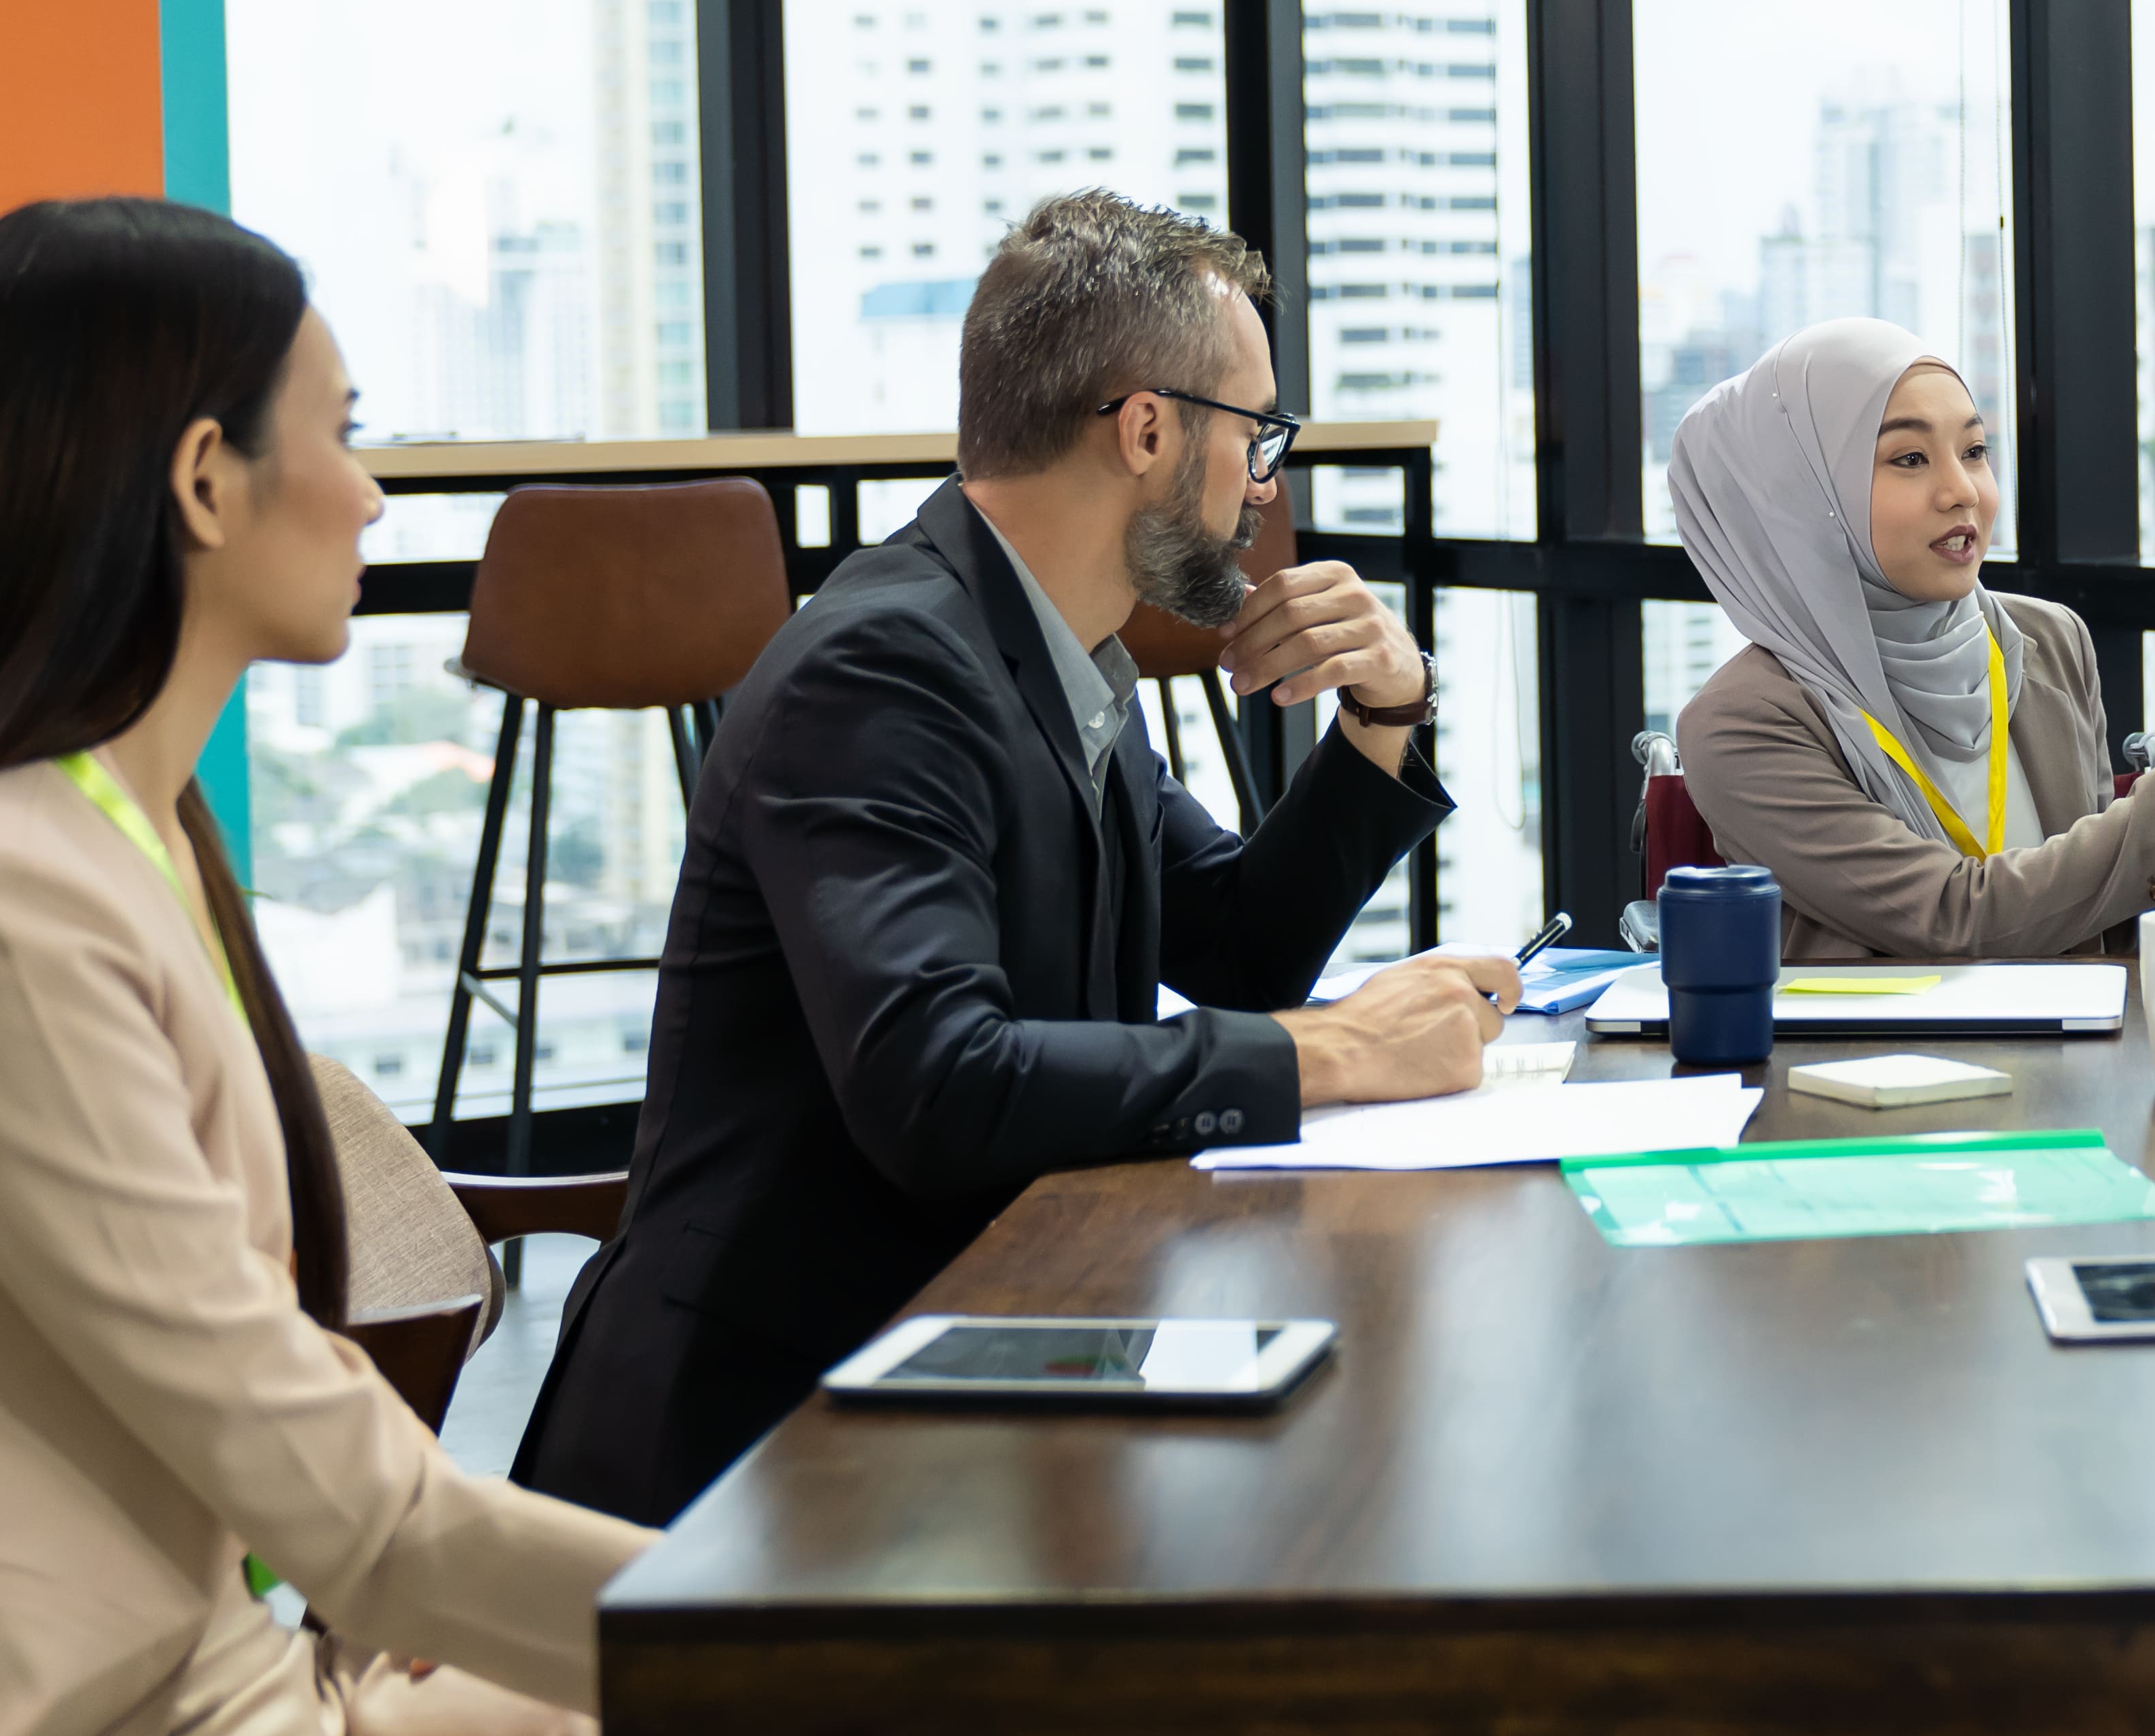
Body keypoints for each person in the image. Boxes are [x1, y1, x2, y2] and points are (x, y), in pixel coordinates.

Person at [0, 198, 652, 1736]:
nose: (376, 489)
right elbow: (361, 1514)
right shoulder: (2, 902)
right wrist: (772, 1623)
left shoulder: (139, 831)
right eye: (342, 430)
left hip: (228, 1682)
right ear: (203, 478)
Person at [517, 198, 1520, 1528]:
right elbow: (939, 1082)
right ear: (1148, 427)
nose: (1262, 484)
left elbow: (1232, 940)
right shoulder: (886, 667)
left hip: (968, 1362)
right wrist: (1333, 1050)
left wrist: (1385, 713)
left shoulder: (1055, 649)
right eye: (1254, 432)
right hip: (764, 1456)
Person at [1664, 318, 2155, 961]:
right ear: (1800, 502)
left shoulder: (2044, 638)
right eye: (1909, 458)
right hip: (1882, 1089)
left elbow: (2090, 903)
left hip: (2082, 1071)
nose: (1963, 489)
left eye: (1974, 449)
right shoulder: (1742, 723)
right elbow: (1954, 919)